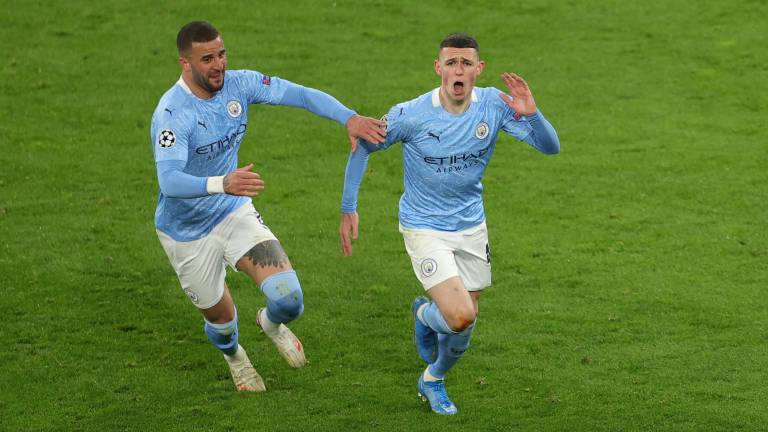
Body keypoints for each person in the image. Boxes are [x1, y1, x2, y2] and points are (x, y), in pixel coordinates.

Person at [151, 21, 385, 392]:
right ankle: (236, 359)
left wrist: (350, 118)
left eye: (222, 54)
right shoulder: (171, 114)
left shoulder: (240, 84)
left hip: (231, 211)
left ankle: (270, 323)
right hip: (186, 232)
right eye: (207, 58)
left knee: (289, 298)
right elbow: (169, 181)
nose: (219, 65)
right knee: (222, 321)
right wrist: (221, 183)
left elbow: (301, 94)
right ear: (185, 63)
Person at [338, 33, 560, 415]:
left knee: (463, 324)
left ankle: (433, 378)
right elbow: (364, 146)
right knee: (460, 316)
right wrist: (348, 206)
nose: (459, 70)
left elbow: (549, 146)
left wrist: (532, 113)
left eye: (466, 63)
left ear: (478, 69)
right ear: (438, 67)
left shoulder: (493, 104)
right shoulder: (412, 114)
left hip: (472, 224)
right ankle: (425, 315)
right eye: (451, 63)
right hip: (424, 226)